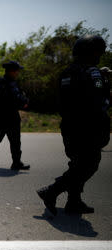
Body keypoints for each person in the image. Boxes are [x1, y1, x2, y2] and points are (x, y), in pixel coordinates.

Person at [37, 35, 110, 216]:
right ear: (93, 53)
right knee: (89, 164)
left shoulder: (67, 72)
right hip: (88, 127)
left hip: (69, 125)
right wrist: (105, 80)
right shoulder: (92, 72)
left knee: (77, 163)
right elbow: (100, 98)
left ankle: (74, 202)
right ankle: (51, 191)